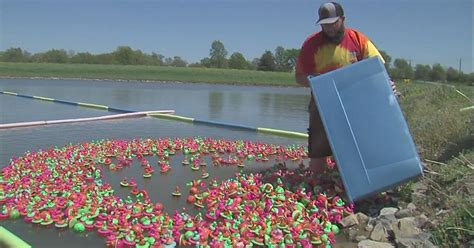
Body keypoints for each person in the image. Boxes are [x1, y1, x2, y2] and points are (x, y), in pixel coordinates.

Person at [295, 1, 396, 173]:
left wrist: (389, 85)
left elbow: (377, 70)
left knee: (354, 147)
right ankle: (318, 180)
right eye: (325, 25)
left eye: (333, 23)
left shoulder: (359, 40)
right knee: (318, 148)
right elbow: (299, 77)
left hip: (356, 105)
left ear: (342, 19)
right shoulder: (311, 44)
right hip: (322, 104)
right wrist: (316, 80)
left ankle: (351, 181)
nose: (329, 29)